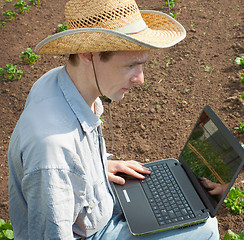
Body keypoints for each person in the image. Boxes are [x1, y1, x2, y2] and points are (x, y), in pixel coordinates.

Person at [8, 0, 219, 239]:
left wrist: (96, 166)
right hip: (89, 233)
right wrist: (74, 168)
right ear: (89, 54)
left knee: (186, 201)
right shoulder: (54, 150)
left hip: (93, 203)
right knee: (207, 229)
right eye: (131, 65)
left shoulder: (56, 82)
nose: (140, 79)